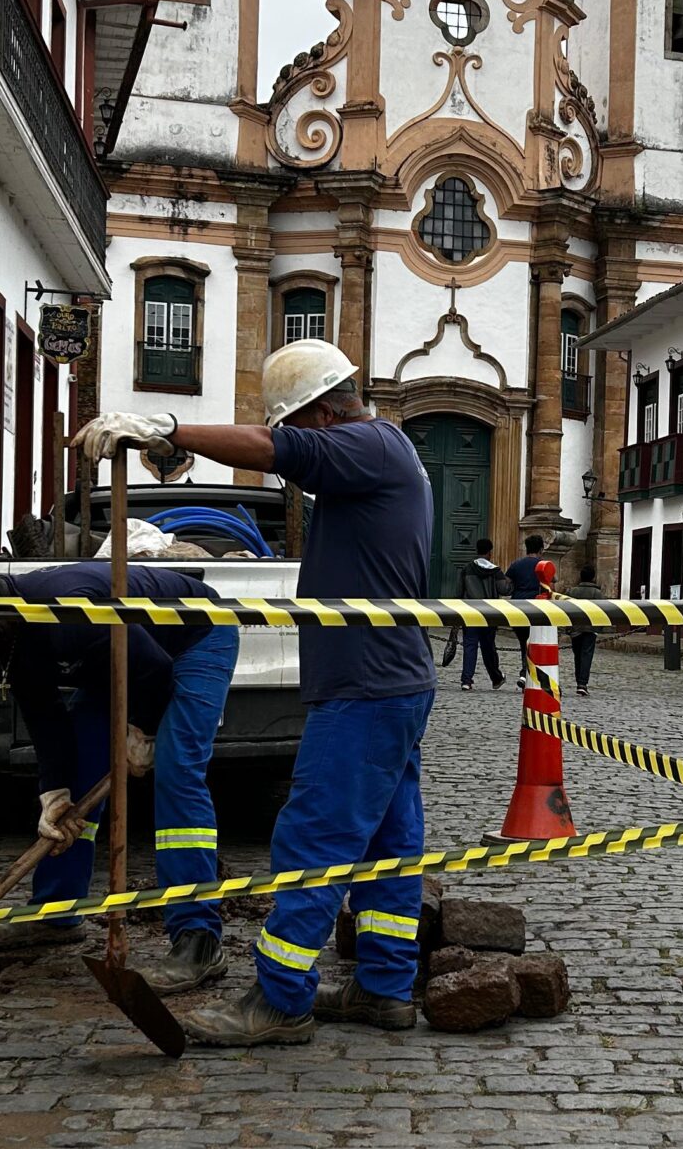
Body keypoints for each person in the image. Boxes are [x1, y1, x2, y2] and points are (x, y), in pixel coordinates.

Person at [76, 338, 432, 1046]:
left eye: (295, 429)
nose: (294, 454)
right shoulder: (371, 461)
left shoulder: (371, 445)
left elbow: (278, 451)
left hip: (367, 687)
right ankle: (384, 988)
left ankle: (280, 999)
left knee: (314, 838)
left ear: (322, 416)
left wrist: (166, 429)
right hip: (385, 680)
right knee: (391, 843)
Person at [0, 539, 236, 994]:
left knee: (178, 773)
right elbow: (46, 717)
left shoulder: (66, 611)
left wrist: (141, 731)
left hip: (193, 636)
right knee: (79, 785)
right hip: (110, 658)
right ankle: (56, 915)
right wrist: (55, 791)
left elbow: (154, 669)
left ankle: (199, 940)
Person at [455, 538, 504, 692]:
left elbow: (458, 592)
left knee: (470, 646)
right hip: (489, 613)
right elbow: (504, 589)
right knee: (489, 647)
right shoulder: (496, 571)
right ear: (490, 552)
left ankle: (466, 680)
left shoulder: (467, 569)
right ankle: (496, 678)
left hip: (470, 612)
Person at [567, 555, 605, 695]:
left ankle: (579, 681)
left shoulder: (572, 592)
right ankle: (582, 683)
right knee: (586, 655)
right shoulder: (598, 593)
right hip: (590, 628)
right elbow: (603, 612)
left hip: (575, 629)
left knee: (577, 655)